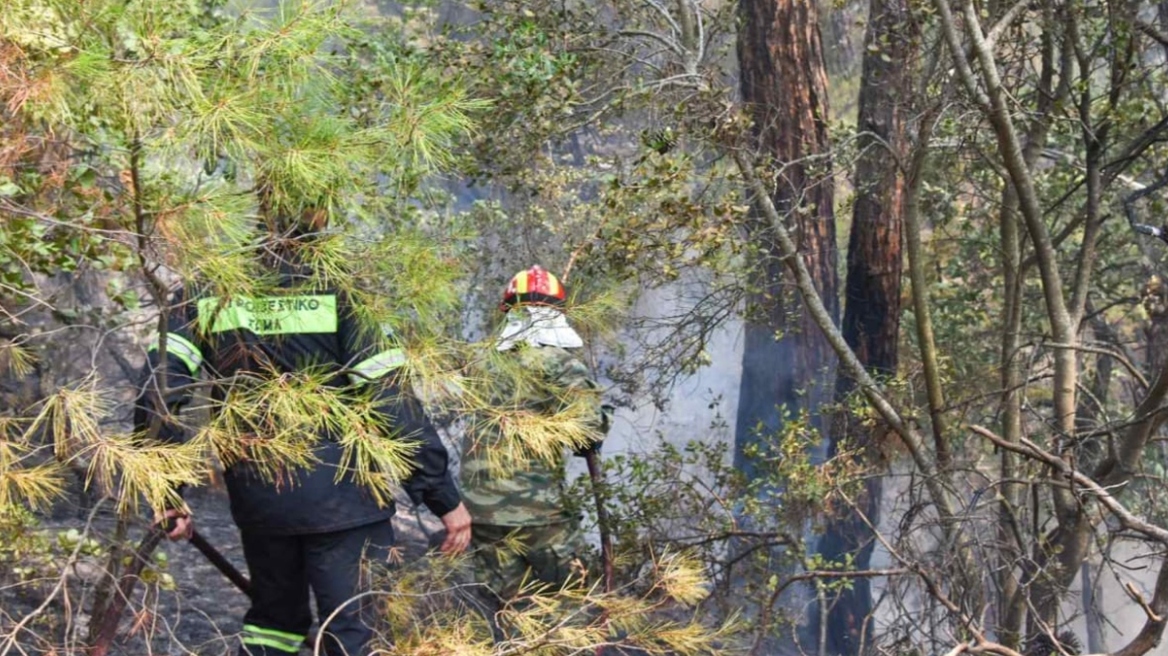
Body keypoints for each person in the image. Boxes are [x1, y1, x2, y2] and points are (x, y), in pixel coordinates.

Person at [134, 208, 472, 656]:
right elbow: (391, 402)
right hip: (347, 497)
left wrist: (167, 493)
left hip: (260, 496)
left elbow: (158, 390)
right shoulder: (342, 289)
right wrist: (442, 498)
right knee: (352, 628)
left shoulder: (208, 288)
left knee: (273, 624)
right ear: (320, 211)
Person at [459, 265, 611, 603]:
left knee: (504, 609)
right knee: (565, 608)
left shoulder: (479, 360)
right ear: (558, 314)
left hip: (480, 511)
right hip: (538, 513)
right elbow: (585, 435)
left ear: (506, 312)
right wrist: (603, 414)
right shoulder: (561, 364)